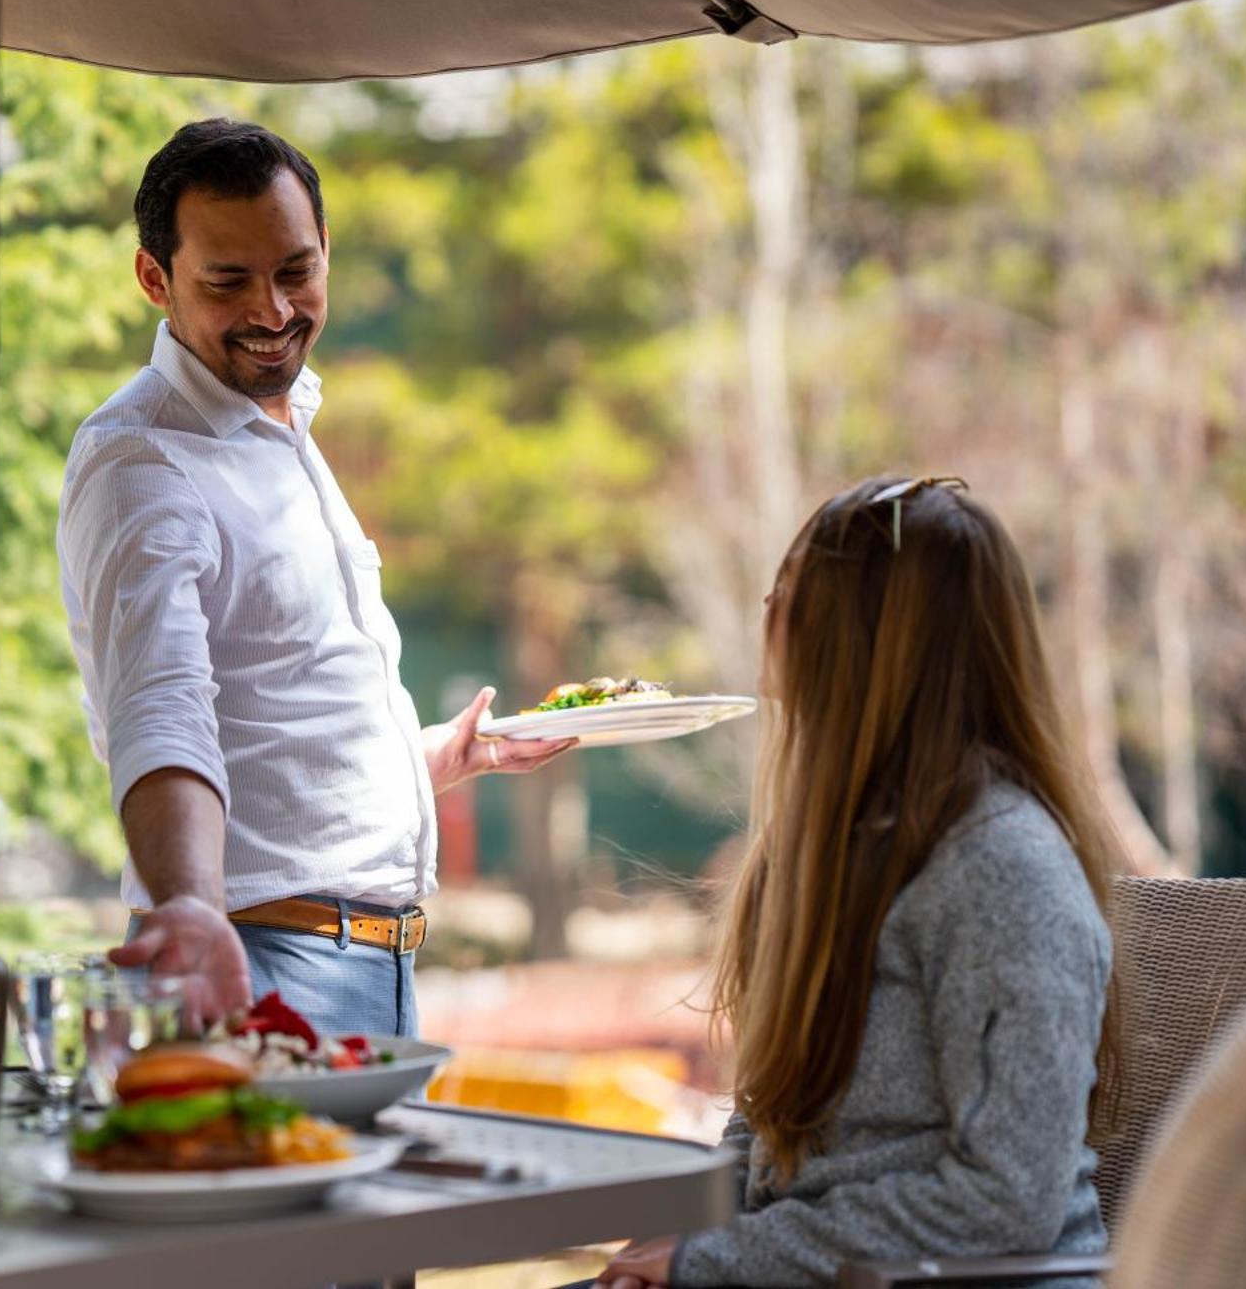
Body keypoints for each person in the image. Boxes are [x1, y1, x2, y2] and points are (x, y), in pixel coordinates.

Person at [58, 119, 570, 1038]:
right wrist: (190, 908)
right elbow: (160, 708)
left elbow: (272, 713)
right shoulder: (142, 458)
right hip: (256, 966)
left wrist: (430, 762)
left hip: (369, 968)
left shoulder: (286, 421)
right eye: (227, 280)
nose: (272, 309)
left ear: (326, 249)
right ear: (154, 278)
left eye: (296, 271)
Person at [594, 475, 1119, 1288]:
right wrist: (684, 1232)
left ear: (866, 639)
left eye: (796, 587)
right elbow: (775, 1131)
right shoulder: (837, 847)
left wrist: (717, 1260)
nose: (769, 604)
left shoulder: (1002, 872)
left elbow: (1003, 1200)